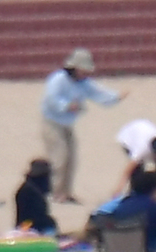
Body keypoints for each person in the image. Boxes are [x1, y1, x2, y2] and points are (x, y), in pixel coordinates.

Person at [40, 49, 122, 205]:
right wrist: (66, 106)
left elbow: (98, 93)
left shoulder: (84, 83)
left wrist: (116, 97)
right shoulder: (58, 79)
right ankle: (55, 193)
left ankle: (67, 192)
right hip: (52, 123)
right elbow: (50, 99)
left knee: (71, 158)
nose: (85, 73)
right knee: (59, 157)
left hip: (67, 124)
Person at [14, 158, 57, 236]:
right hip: (28, 230)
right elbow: (31, 218)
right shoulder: (30, 192)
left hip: (26, 227)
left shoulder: (30, 189)